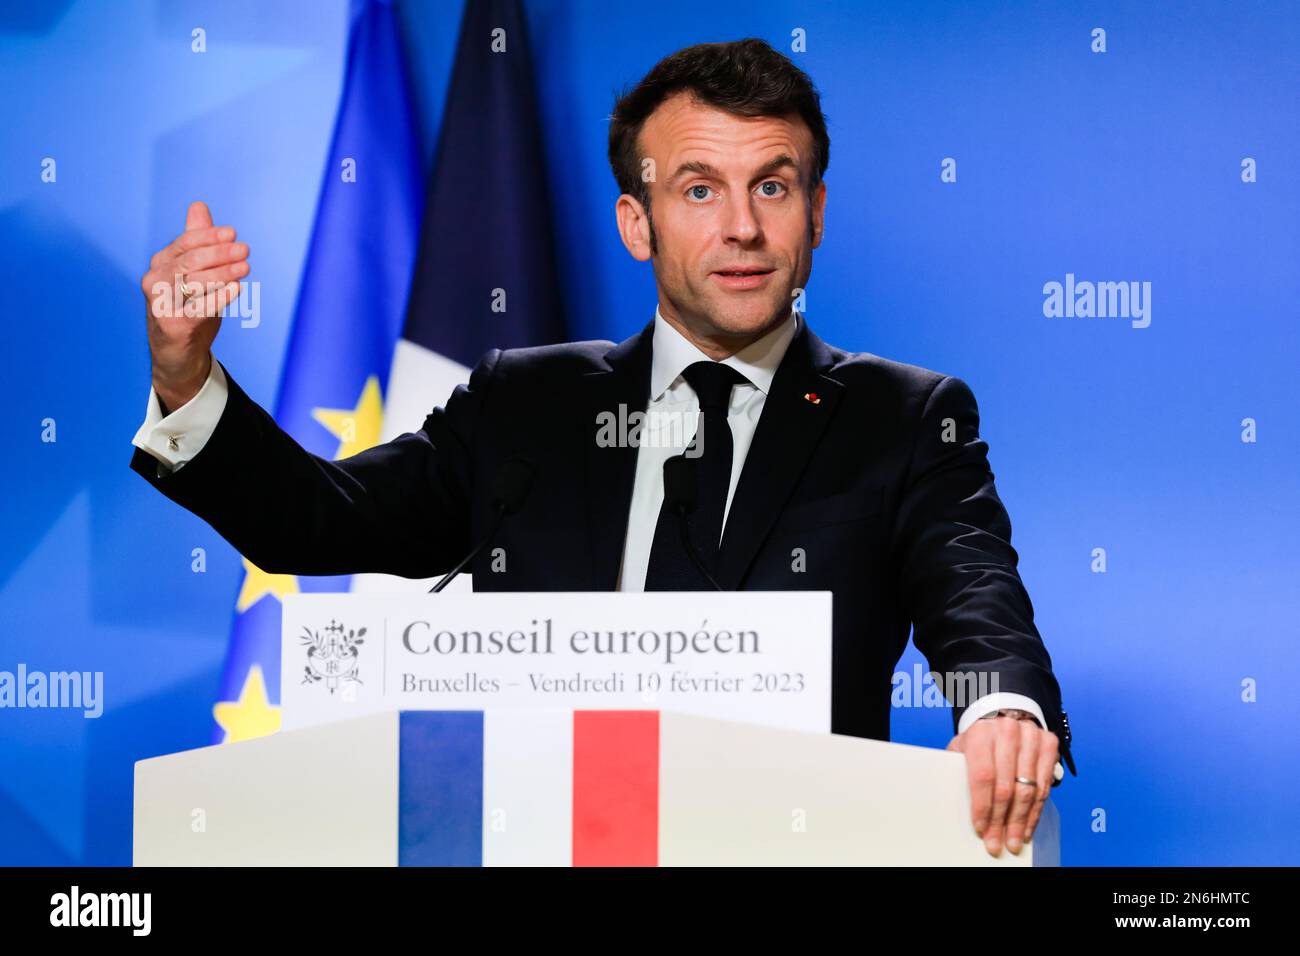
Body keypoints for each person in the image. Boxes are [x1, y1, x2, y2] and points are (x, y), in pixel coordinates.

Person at [133, 38, 1073, 857]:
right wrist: (186, 379)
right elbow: (316, 521)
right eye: (700, 188)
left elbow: (975, 596)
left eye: (773, 187)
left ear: (816, 213)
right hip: (533, 839)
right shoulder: (524, 402)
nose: (742, 226)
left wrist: (1002, 711)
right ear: (637, 223)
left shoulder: (903, 417)